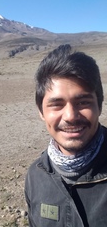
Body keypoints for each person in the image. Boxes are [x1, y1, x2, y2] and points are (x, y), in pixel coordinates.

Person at [25, 44, 107, 227]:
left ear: (99, 106)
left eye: (83, 102)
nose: (70, 116)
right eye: (57, 104)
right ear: (41, 111)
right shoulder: (36, 176)